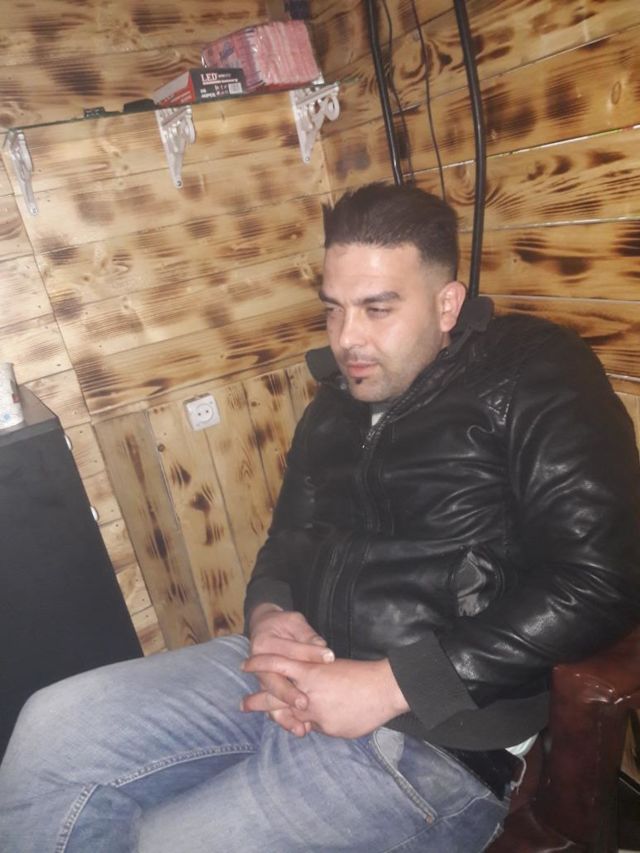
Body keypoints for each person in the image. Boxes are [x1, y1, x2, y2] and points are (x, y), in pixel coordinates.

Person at [1, 183, 639, 853]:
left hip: (437, 732)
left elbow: (602, 579)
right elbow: (286, 541)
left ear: (447, 304)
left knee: (165, 842)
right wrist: (269, 618)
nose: (347, 339)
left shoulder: (536, 371)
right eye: (333, 309)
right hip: (294, 672)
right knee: (54, 729)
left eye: (377, 308)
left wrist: (393, 683)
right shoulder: (335, 405)